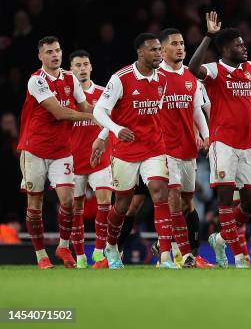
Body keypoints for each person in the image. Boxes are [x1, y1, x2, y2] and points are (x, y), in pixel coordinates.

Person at [187, 10, 251, 268]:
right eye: (238, 45)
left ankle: (221, 238)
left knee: (249, 202)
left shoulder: (250, 69)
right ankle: (239, 255)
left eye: (244, 43)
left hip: (249, 143)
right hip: (223, 143)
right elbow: (192, 68)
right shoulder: (214, 70)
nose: (244, 48)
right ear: (224, 49)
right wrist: (208, 37)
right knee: (225, 199)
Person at [91, 33, 181, 269]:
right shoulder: (121, 78)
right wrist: (112, 130)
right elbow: (100, 111)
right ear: (140, 53)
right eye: (153, 50)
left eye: (160, 50)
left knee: (160, 193)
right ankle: (110, 246)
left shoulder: (163, 78)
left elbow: (157, 112)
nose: (159, 54)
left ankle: (164, 257)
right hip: (125, 150)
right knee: (122, 204)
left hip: (154, 147)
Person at [18, 36, 94, 269]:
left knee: (68, 201)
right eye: (49, 51)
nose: (55, 55)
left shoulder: (71, 78)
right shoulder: (36, 81)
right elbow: (60, 113)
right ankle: (41, 255)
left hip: (62, 150)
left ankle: (63, 246)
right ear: (41, 56)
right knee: (35, 202)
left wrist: (109, 113)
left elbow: (85, 107)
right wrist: (96, 117)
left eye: (58, 50)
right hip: (35, 150)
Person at [158, 28, 212, 268]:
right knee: (173, 200)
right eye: (174, 43)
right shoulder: (155, 76)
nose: (180, 47)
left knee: (188, 204)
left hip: (188, 148)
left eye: (182, 43)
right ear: (163, 49)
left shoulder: (193, 77)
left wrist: (206, 135)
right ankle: (179, 255)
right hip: (163, 149)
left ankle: (186, 251)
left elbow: (196, 109)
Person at [68, 50, 113, 269]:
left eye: (86, 64)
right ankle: (80, 256)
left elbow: (112, 124)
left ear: (91, 67)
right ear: (71, 70)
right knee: (74, 208)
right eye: (77, 65)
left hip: (100, 159)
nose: (82, 68)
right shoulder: (65, 99)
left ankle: (98, 250)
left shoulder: (105, 94)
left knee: (105, 203)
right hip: (73, 161)